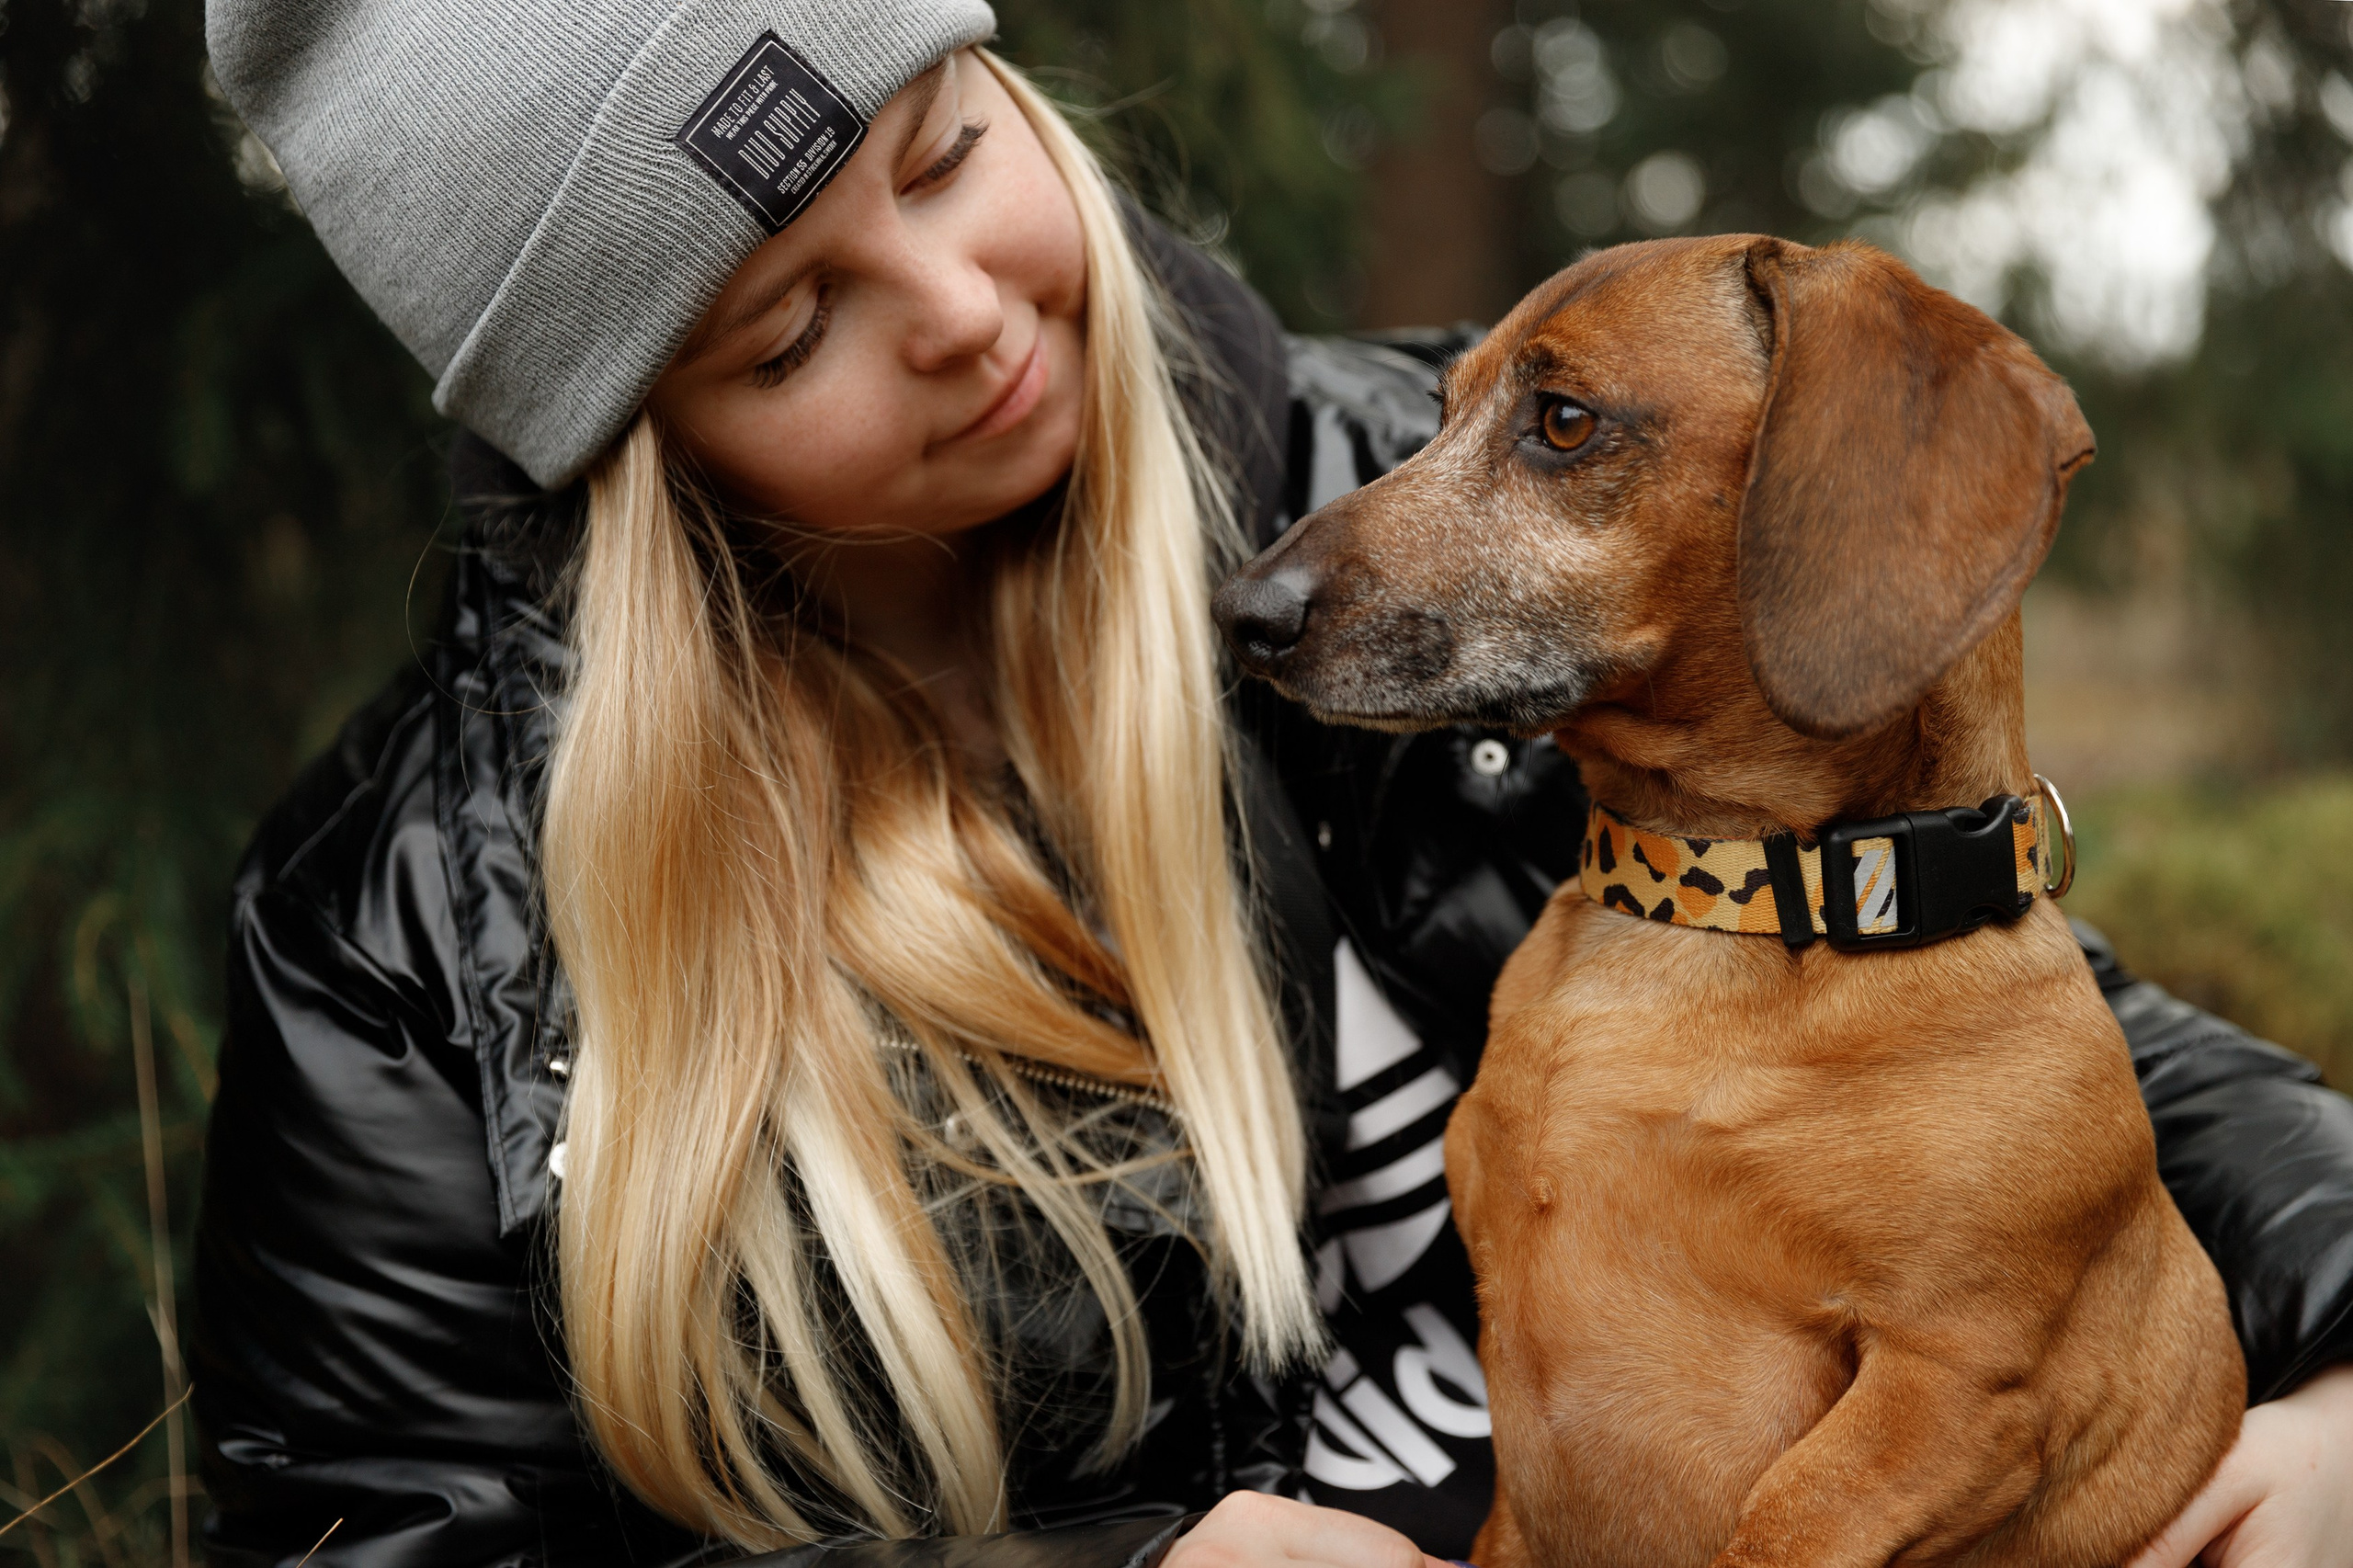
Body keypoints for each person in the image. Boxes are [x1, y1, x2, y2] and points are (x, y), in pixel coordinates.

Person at [190, 3, 2353, 1565]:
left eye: (941, 156)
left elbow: (2027, 1062)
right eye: (785, 331)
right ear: (632, 435)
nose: (959, 311)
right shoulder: (406, 931)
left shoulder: (1400, 479)